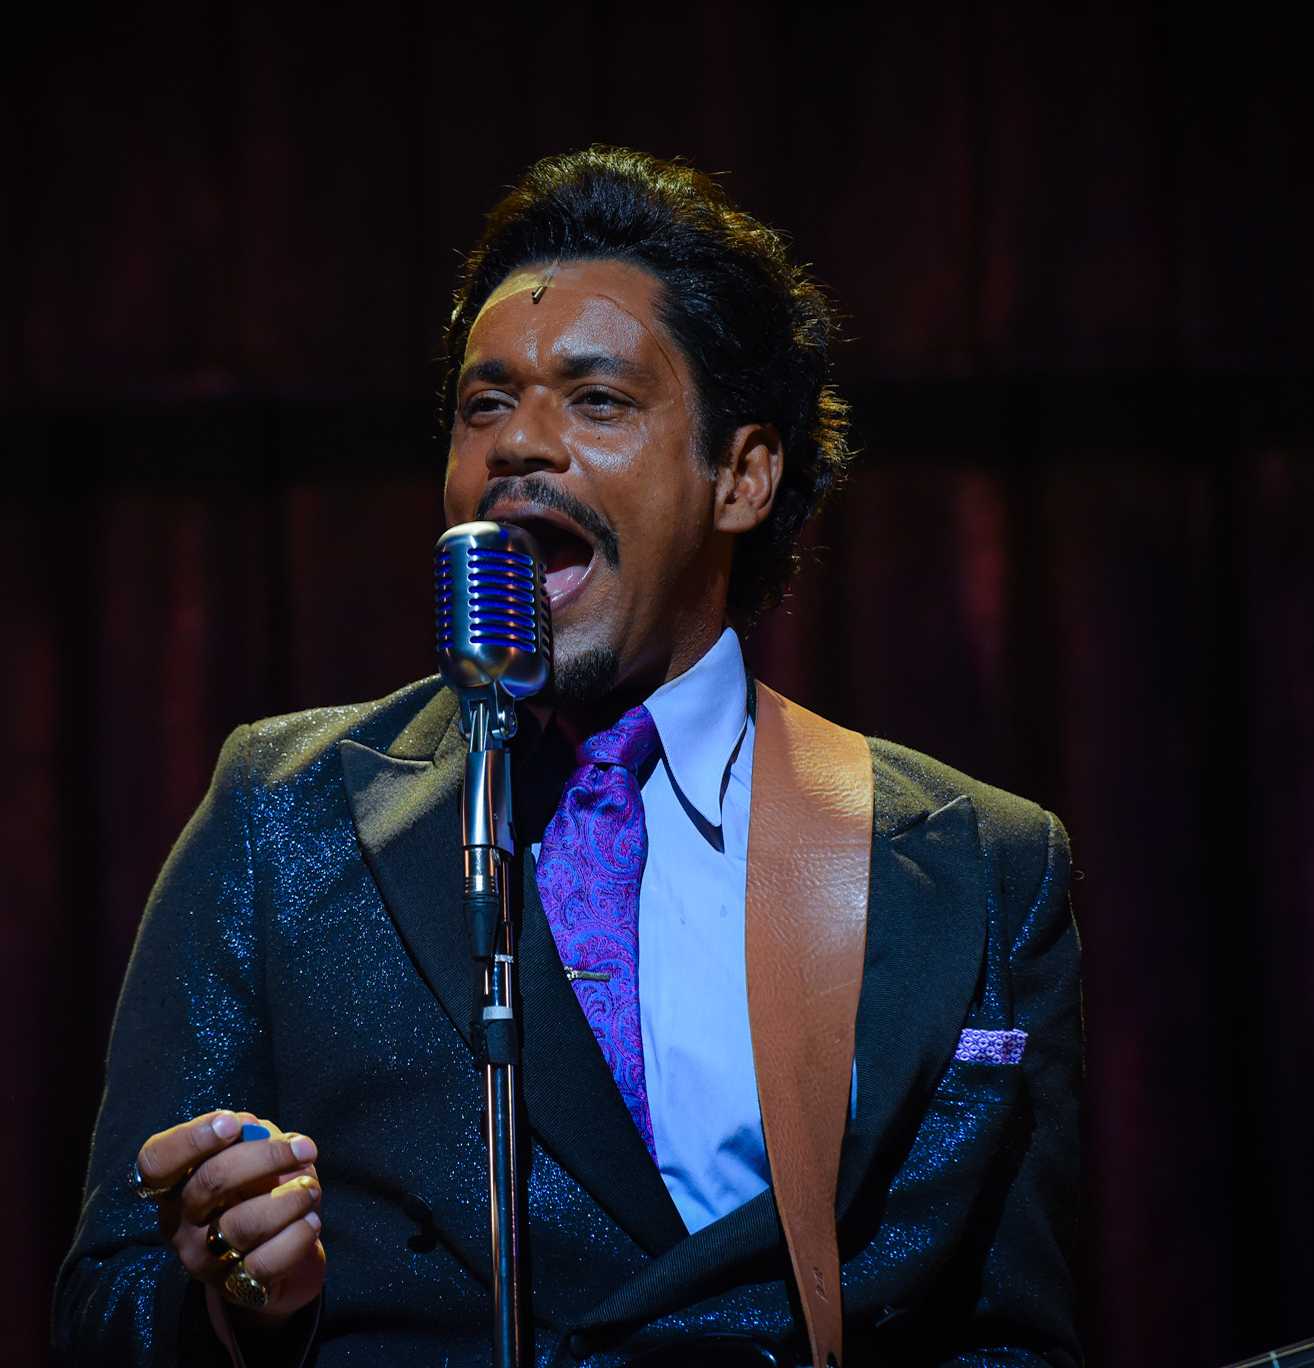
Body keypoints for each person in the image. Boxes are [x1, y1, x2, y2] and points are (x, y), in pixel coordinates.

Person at [55, 146, 1082, 1368]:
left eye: (596, 401)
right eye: (484, 404)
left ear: (741, 476)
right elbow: (109, 1304)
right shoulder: (286, 811)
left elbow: (1009, 1339)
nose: (520, 445)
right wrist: (240, 1304)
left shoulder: (973, 864)